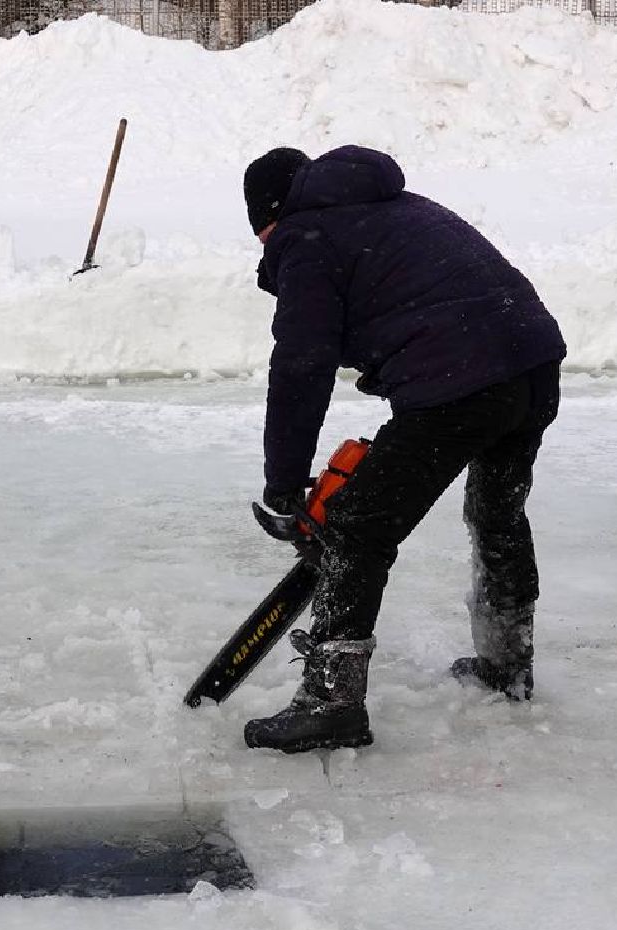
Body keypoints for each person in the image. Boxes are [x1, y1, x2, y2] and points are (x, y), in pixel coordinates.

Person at [240, 145, 567, 754]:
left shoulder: (307, 235)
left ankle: (331, 703)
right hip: (532, 362)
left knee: (356, 531)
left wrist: (283, 481)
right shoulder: (395, 206)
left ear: (271, 214)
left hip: (463, 380)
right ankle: (507, 662)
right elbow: (425, 299)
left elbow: (301, 366)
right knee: (497, 512)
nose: (264, 244)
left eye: (260, 230)